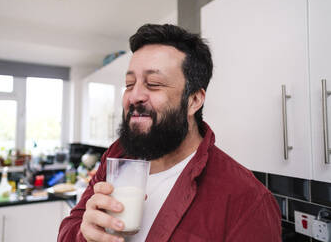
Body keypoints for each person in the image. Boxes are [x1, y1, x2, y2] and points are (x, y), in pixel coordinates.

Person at [58, 24, 281, 242]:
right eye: (129, 84)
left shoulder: (247, 199)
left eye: (153, 84)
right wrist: (84, 235)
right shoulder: (117, 158)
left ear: (194, 100)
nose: (133, 96)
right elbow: (70, 228)